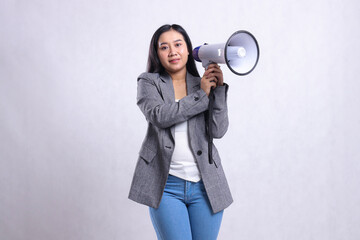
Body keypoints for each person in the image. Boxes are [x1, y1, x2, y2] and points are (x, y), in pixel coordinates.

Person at [128, 24, 233, 240]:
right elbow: (160, 116)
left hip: (206, 186)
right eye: (164, 47)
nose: (173, 51)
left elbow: (218, 130)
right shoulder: (148, 82)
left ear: (187, 49)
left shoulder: (201, 84)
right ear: (156, 53)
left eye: (178, 44)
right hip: (166, 187)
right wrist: (201, 96)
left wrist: (218, 91)